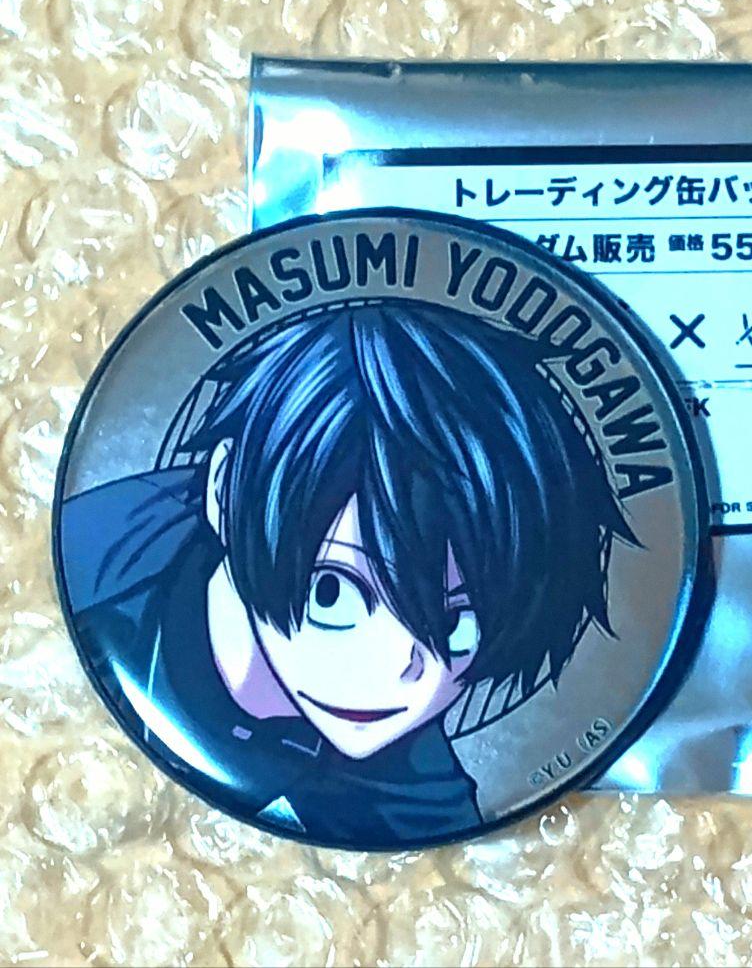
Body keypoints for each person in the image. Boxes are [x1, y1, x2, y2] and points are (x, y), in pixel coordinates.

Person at [60, 302, 634, 845]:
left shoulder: (413, 791)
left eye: (455, 623)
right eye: (331, 592)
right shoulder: (90, 583)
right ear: (223, 492)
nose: (400, 669)